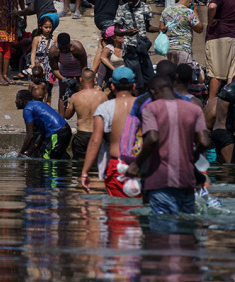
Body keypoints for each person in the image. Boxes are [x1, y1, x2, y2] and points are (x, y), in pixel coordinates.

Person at [125, 74, 211, 215]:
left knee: (162, 229)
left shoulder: (151, 109)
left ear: (153, 92)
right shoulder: (194, 109)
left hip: (160, 181)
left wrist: (136, 164)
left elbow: (152, 138)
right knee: (184, 228)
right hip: (187, 180)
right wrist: (193, 158)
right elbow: (205, 142)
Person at [80, 66, 138, 196]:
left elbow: (95, 141)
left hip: (116, 166)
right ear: (134, 86)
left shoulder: (104, 108)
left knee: (116, 212)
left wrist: (85, 172)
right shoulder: (144, 106)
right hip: (141, 165)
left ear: (112, 86)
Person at [115, 0, 158, 91]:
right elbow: (116, 30)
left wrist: (159, 29)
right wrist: (125, 33)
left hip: (143, 49)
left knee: (149, 79)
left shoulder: (146, 8)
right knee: (136, 82)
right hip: (130, 50)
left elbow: (148, 27)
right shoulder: (122, 9)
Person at [64, 69, 107, 160]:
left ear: (80, 80)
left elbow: (67, 116)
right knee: (97, 164)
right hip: (97, 134)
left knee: (79, 165)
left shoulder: (75, 97)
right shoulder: (102, 96)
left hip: (81, 136)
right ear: (95, 80)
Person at [16, 89, 72, 159]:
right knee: (59, 155)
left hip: (57, 132)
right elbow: (42, 132)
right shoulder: (39, 104)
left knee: (47, 159)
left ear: (22, 100)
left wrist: (20, 153)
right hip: (66, 131)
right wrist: (32, 149)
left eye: (17, 99)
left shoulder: (27, 109)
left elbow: (30, 135)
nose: (15, 101)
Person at [205, 0, 235, 99]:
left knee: (216, 73)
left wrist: (210, 21)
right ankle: (228, 103)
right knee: (230, 74)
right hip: (233, 36)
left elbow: (212, 6)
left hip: (219, 36)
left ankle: (210, 102)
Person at [49, 32, 87, 116]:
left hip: (79, 66)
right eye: (61, 49)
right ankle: (62, 121)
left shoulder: (77, 47)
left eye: (66, 48)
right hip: (65, 67)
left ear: (69, 44)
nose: (63, 51)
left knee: (80, 92)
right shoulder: (53, 51)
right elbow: (55, 69)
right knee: (63, 94)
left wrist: (81, 79)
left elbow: (84, 66)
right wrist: (63, 79)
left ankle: (81, 117)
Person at [159, 0, 202, 65]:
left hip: (170, 48)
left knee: (173, 72)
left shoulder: (166, 10)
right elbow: (199, 29)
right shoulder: (188, 12)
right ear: (191, 2)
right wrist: (195, 11)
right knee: (183, 74)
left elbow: (161, 29)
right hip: (183, 48)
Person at [30, 16, 56, 106]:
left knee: (48, 90)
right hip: (39, 68)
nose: (48, 29)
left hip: (50, 68)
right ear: (40, 27)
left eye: (50, 27)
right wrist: (33, 66)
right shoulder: (37, 39)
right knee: (38, 88)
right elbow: (33, 53)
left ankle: (48, 106)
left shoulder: (54, 39)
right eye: (46, 27)